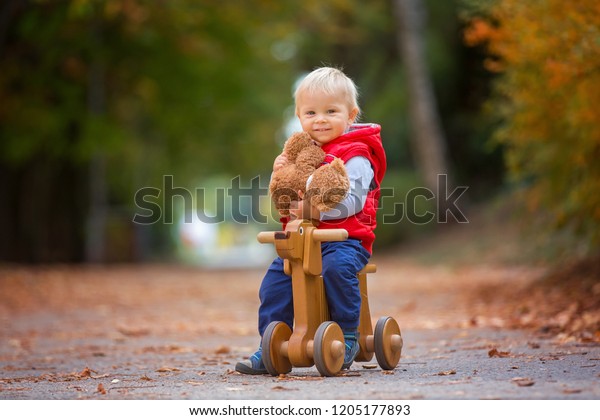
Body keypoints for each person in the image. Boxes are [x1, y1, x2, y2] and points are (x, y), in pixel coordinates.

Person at [235, 67, 387, 374]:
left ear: (351, 115)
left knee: (337, 269)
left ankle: (346, 334)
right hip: (303, 240)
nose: (320, 119)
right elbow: (287, 193)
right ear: (299, 116)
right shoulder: (302, 152)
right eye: (311, 112)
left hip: (347, 240)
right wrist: (279, 170)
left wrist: (315, 213)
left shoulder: (357, 154)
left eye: (331, 111)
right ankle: (272, 343)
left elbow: (353, 200)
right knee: (275, 282)